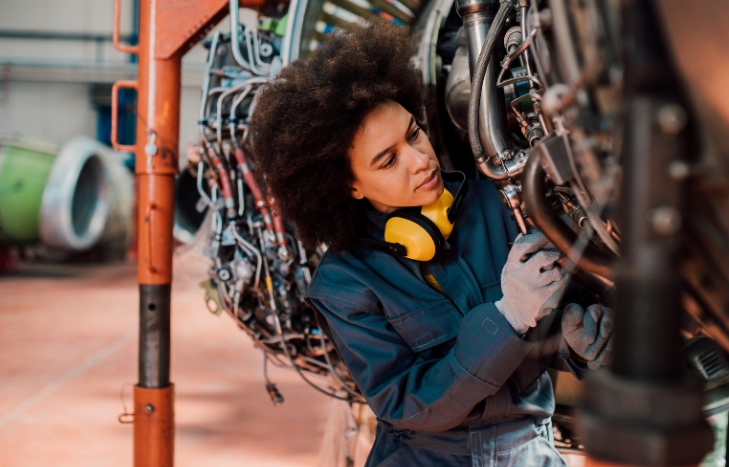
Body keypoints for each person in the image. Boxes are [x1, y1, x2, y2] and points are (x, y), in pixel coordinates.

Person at [249, 20, 612, 467]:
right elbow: (409, 404)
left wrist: (577, 345)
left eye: (414, 133)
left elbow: (554, 327)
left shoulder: (498, 206)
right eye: (388, 160)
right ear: (351, 186)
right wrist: (507, 318)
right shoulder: (345, 284)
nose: (420, 160)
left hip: (529, 452)